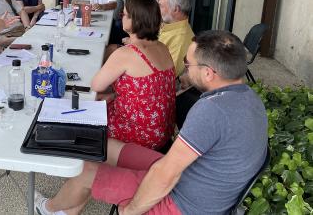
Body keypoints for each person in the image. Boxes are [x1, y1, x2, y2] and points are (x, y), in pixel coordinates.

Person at [34, 30, 268, 215]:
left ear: (208, 73)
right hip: (193, 177)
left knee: (83, 171)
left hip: (181, 203)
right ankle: (68, 209)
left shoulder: (212, 110)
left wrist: (131, 210)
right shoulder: (249, 98)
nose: (185, 71)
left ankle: (48, 209)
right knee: (105, 146)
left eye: (188, 65)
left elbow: (166, 175)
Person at [93, 0, 176, 150]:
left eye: (124, 14)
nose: (121, 16)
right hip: (162, 132)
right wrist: (113, 95)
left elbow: (96, 85)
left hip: (138, 135)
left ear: (135, 20)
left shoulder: (128, 53)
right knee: (103, 98)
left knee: (86, 108)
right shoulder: (162, 47)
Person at [156, 0, 194, 77]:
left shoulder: (180, 38)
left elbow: (168, 75)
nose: (157, 9)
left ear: (176, 9)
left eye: (161, 6)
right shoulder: (170, 28)